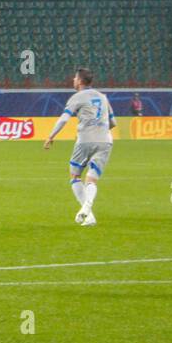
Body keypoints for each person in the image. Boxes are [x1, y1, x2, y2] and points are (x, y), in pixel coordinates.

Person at [42, 67, 115, 227]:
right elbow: (113, 123)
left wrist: (50, 136)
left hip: (85, 140)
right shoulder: (103, 97)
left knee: (75, 177)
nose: (73, 81)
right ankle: (88, 206)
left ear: (80, 81)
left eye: (75, 78)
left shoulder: (77, 97)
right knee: (92, 179)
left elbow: (64, 119)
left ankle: (89, 215)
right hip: (106, 140)